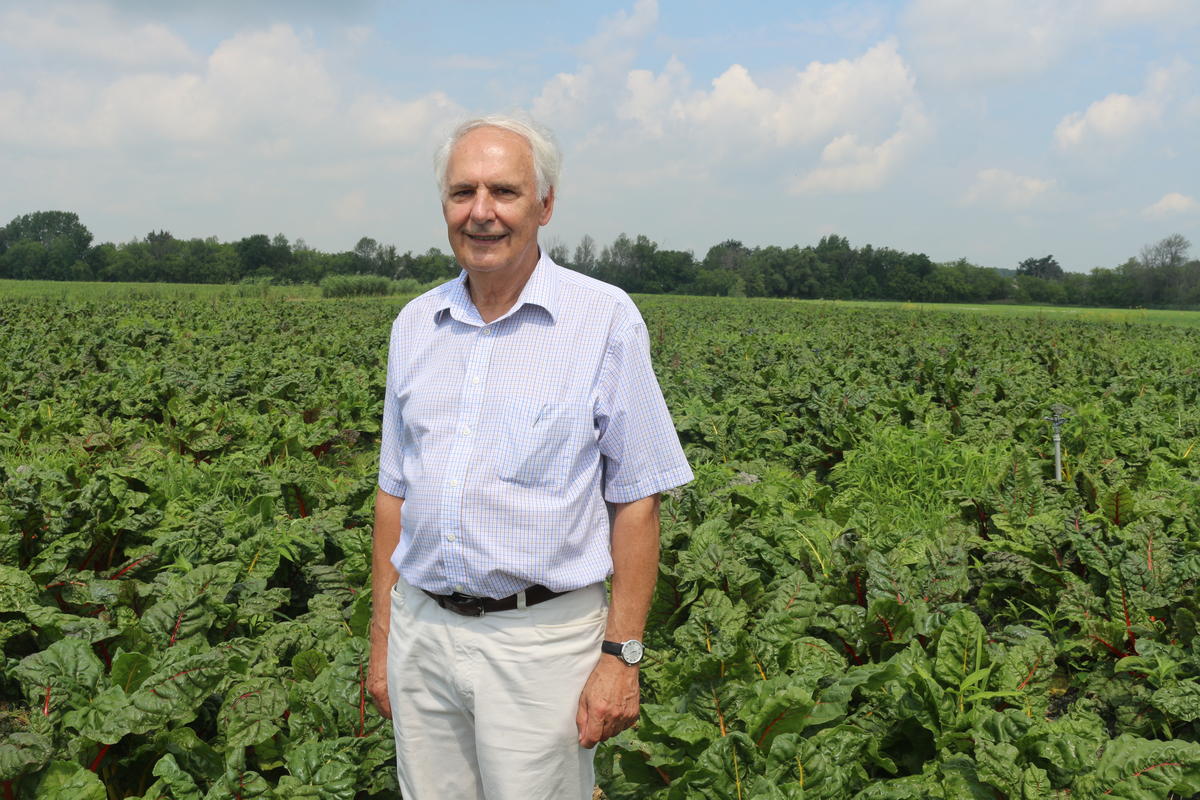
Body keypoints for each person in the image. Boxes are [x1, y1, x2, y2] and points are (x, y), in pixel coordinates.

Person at [366, 113, 692, 800]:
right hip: (422, 634)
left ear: (544, 205)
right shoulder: (414, 325)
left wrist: (621, 657)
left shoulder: (602, 319)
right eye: (463, 193)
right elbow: (394, 492)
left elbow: (638, 499)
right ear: (445, 206)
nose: (481, 212)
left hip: (539, 644)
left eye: (504, 192)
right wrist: (383, 642)